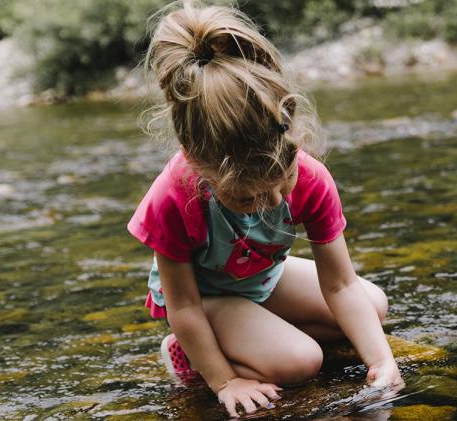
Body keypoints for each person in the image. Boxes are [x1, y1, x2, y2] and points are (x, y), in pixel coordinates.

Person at [128, 2, 403, 418]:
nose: (274, 203)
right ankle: (192, 355)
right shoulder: (173, 197)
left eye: (282, 183)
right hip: (207, 299)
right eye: (247, 198)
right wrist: (225, 381)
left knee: (372, 306)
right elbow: (182, 306)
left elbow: (341, 285)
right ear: (201, 169)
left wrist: (381, 362)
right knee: (301, 362)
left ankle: (257, 335)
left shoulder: (310, 177)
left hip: (261, 278)